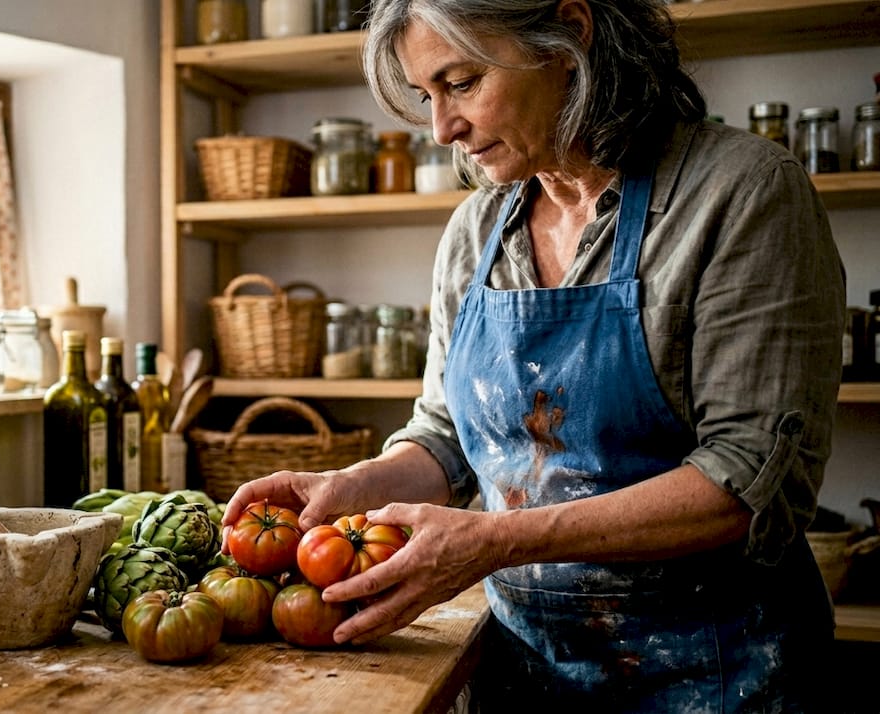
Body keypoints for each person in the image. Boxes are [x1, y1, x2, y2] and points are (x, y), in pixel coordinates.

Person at [220, 0, 846, 710]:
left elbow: (744, 482)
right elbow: (448, 436)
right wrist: (358, 484)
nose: (441, 129)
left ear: (569, 38)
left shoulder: (740, 192)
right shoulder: (475, 230)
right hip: (523, 675)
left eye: (461, 82)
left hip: (719, 674)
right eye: (427, 97)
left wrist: (497, 540)